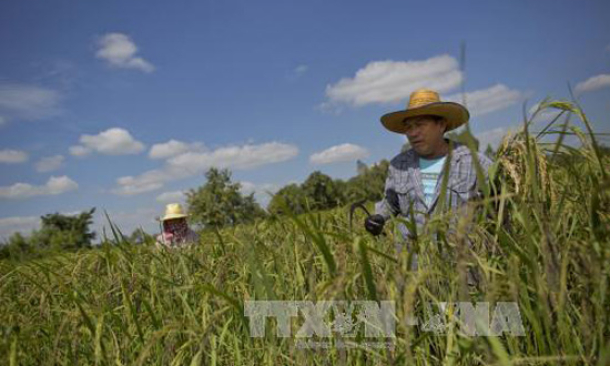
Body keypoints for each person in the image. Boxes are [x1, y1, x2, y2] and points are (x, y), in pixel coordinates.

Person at [365, 89, 493, 250]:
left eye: (419, 125)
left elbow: (498, 212)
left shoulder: (476, 163)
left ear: (441, 125)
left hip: (464, 266)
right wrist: (379, 217)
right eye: (408, 127)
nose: (412, 133)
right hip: (413, 268)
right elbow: (391, 203)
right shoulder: (399, 165)